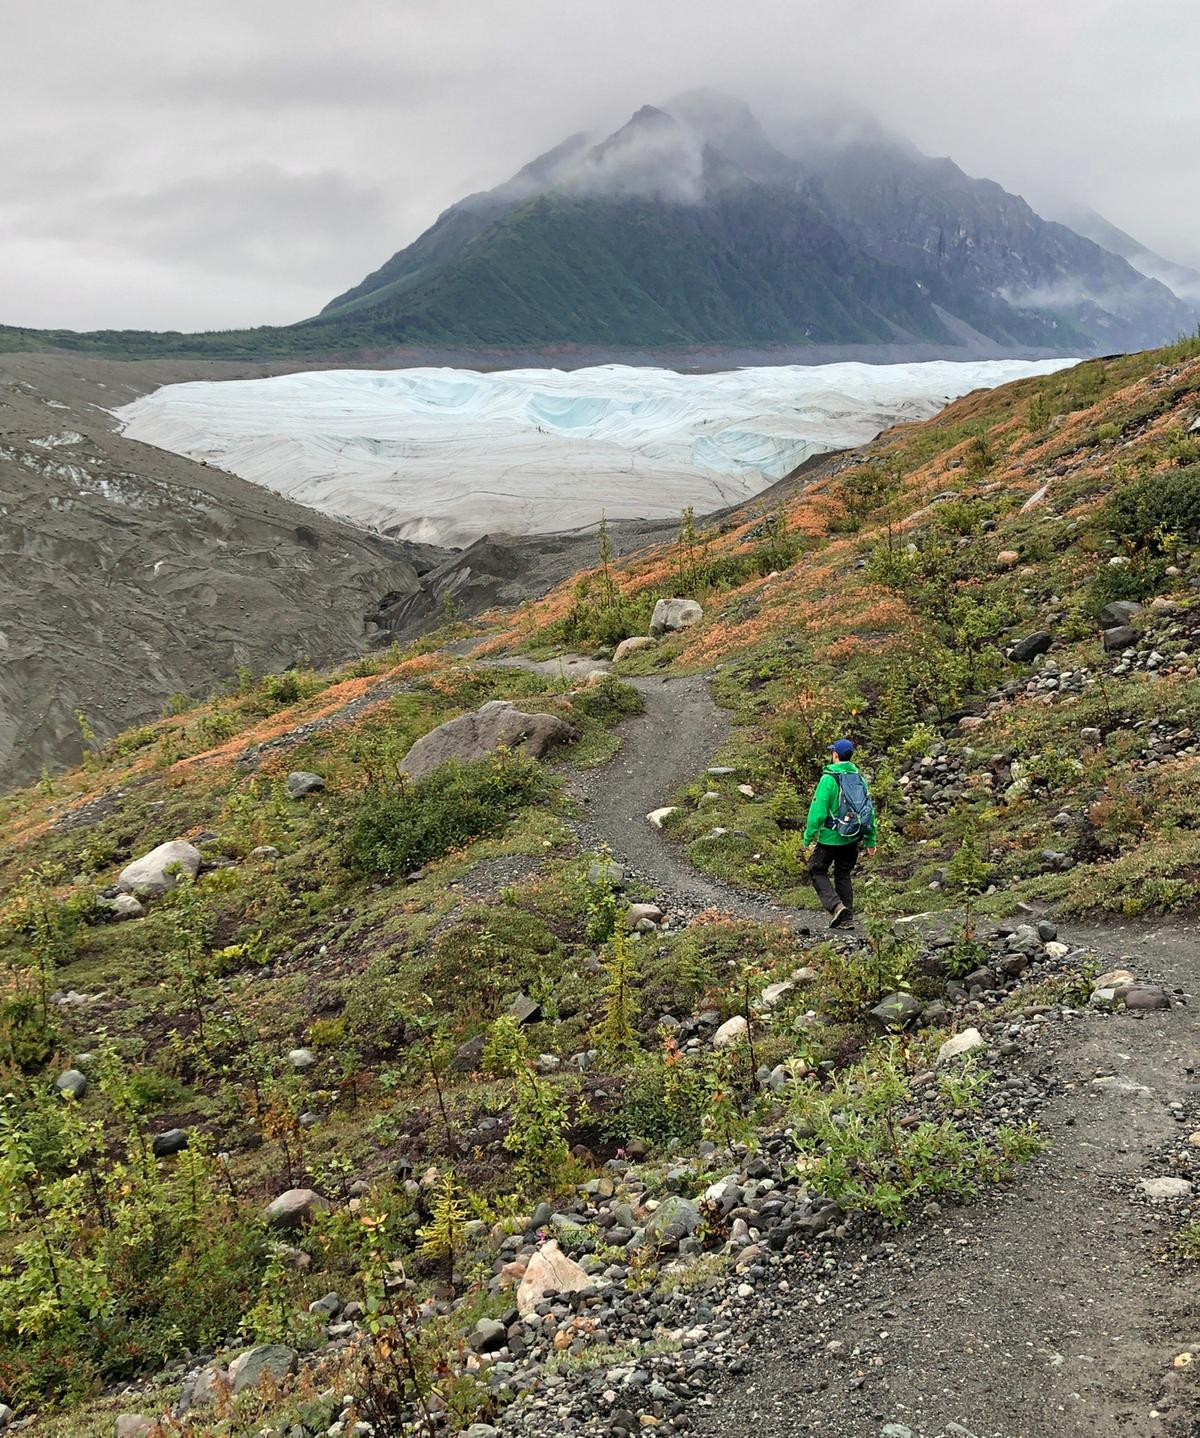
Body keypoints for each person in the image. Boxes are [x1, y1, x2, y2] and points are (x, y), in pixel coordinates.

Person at [803, 738, 876, 927]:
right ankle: (847, 917)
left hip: (830, 837)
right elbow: (868, 810)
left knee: (816, 869)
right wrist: (870, 840)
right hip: (852, 836)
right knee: (843, 874)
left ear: (835, 755)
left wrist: (808, 837)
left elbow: (817, 812)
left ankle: (836, 907)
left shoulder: (828, 778)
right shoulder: (859, 778)